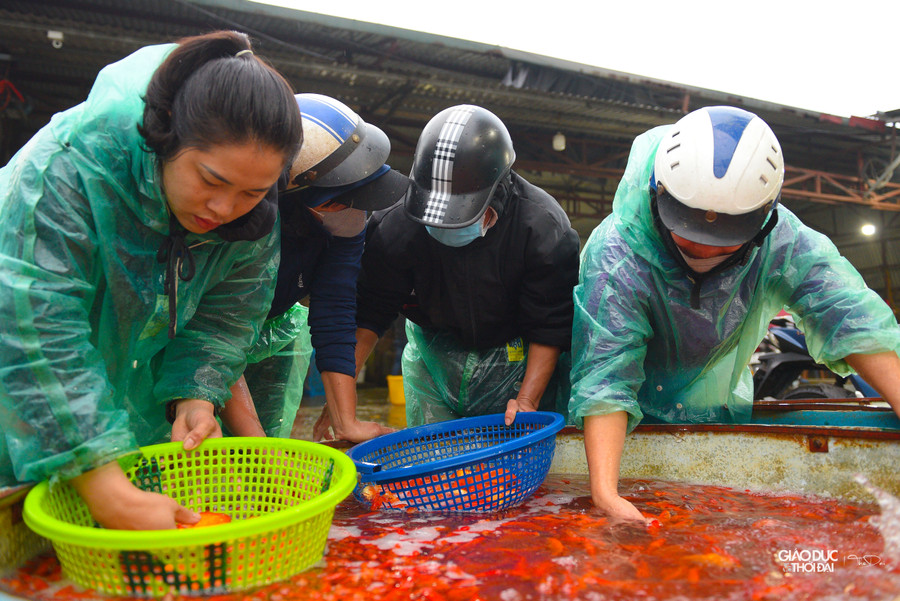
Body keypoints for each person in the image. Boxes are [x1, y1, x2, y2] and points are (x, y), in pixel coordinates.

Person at [0, 31, 303, 530]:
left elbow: (226, 317)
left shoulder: (250, 219)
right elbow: (37, 331)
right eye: (210, 180)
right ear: (166, 137)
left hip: (120, 419)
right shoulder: (70, 171)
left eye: (252, 191)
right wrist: (105, 485)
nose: (224, 209)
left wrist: (196, 393)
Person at [569, 105, 900, 522]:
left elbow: (851, 317)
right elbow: (605, 372)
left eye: (724, 243)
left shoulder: (783, 240)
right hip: (612, 434)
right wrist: (604, 492)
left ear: (763, 218)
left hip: (712, 412)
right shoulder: (617, 255)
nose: (704, 253)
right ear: (659, 197)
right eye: (689, 237)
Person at [339, 104, 579, 433]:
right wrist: (341, 401)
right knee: (435, 462)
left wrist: (527, 399)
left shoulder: (542, 229)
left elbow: (548, 325)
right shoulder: (395, 224)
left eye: (459, 217)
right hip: (434, 355)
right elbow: (369, 314)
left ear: (496, 193)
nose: (445, 228)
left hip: (514, 355)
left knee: (512, 459)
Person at [221, 93, 405, 442]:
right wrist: (257, 444)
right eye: (340, 201)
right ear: (295, 194)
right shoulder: (245, 226)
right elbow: (217, 329)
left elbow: (335, 311)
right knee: (196, 444)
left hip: (266, 331)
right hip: (202, 339)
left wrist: (345, 420)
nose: (355, 212)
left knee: (260, 460)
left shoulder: (344, 224)